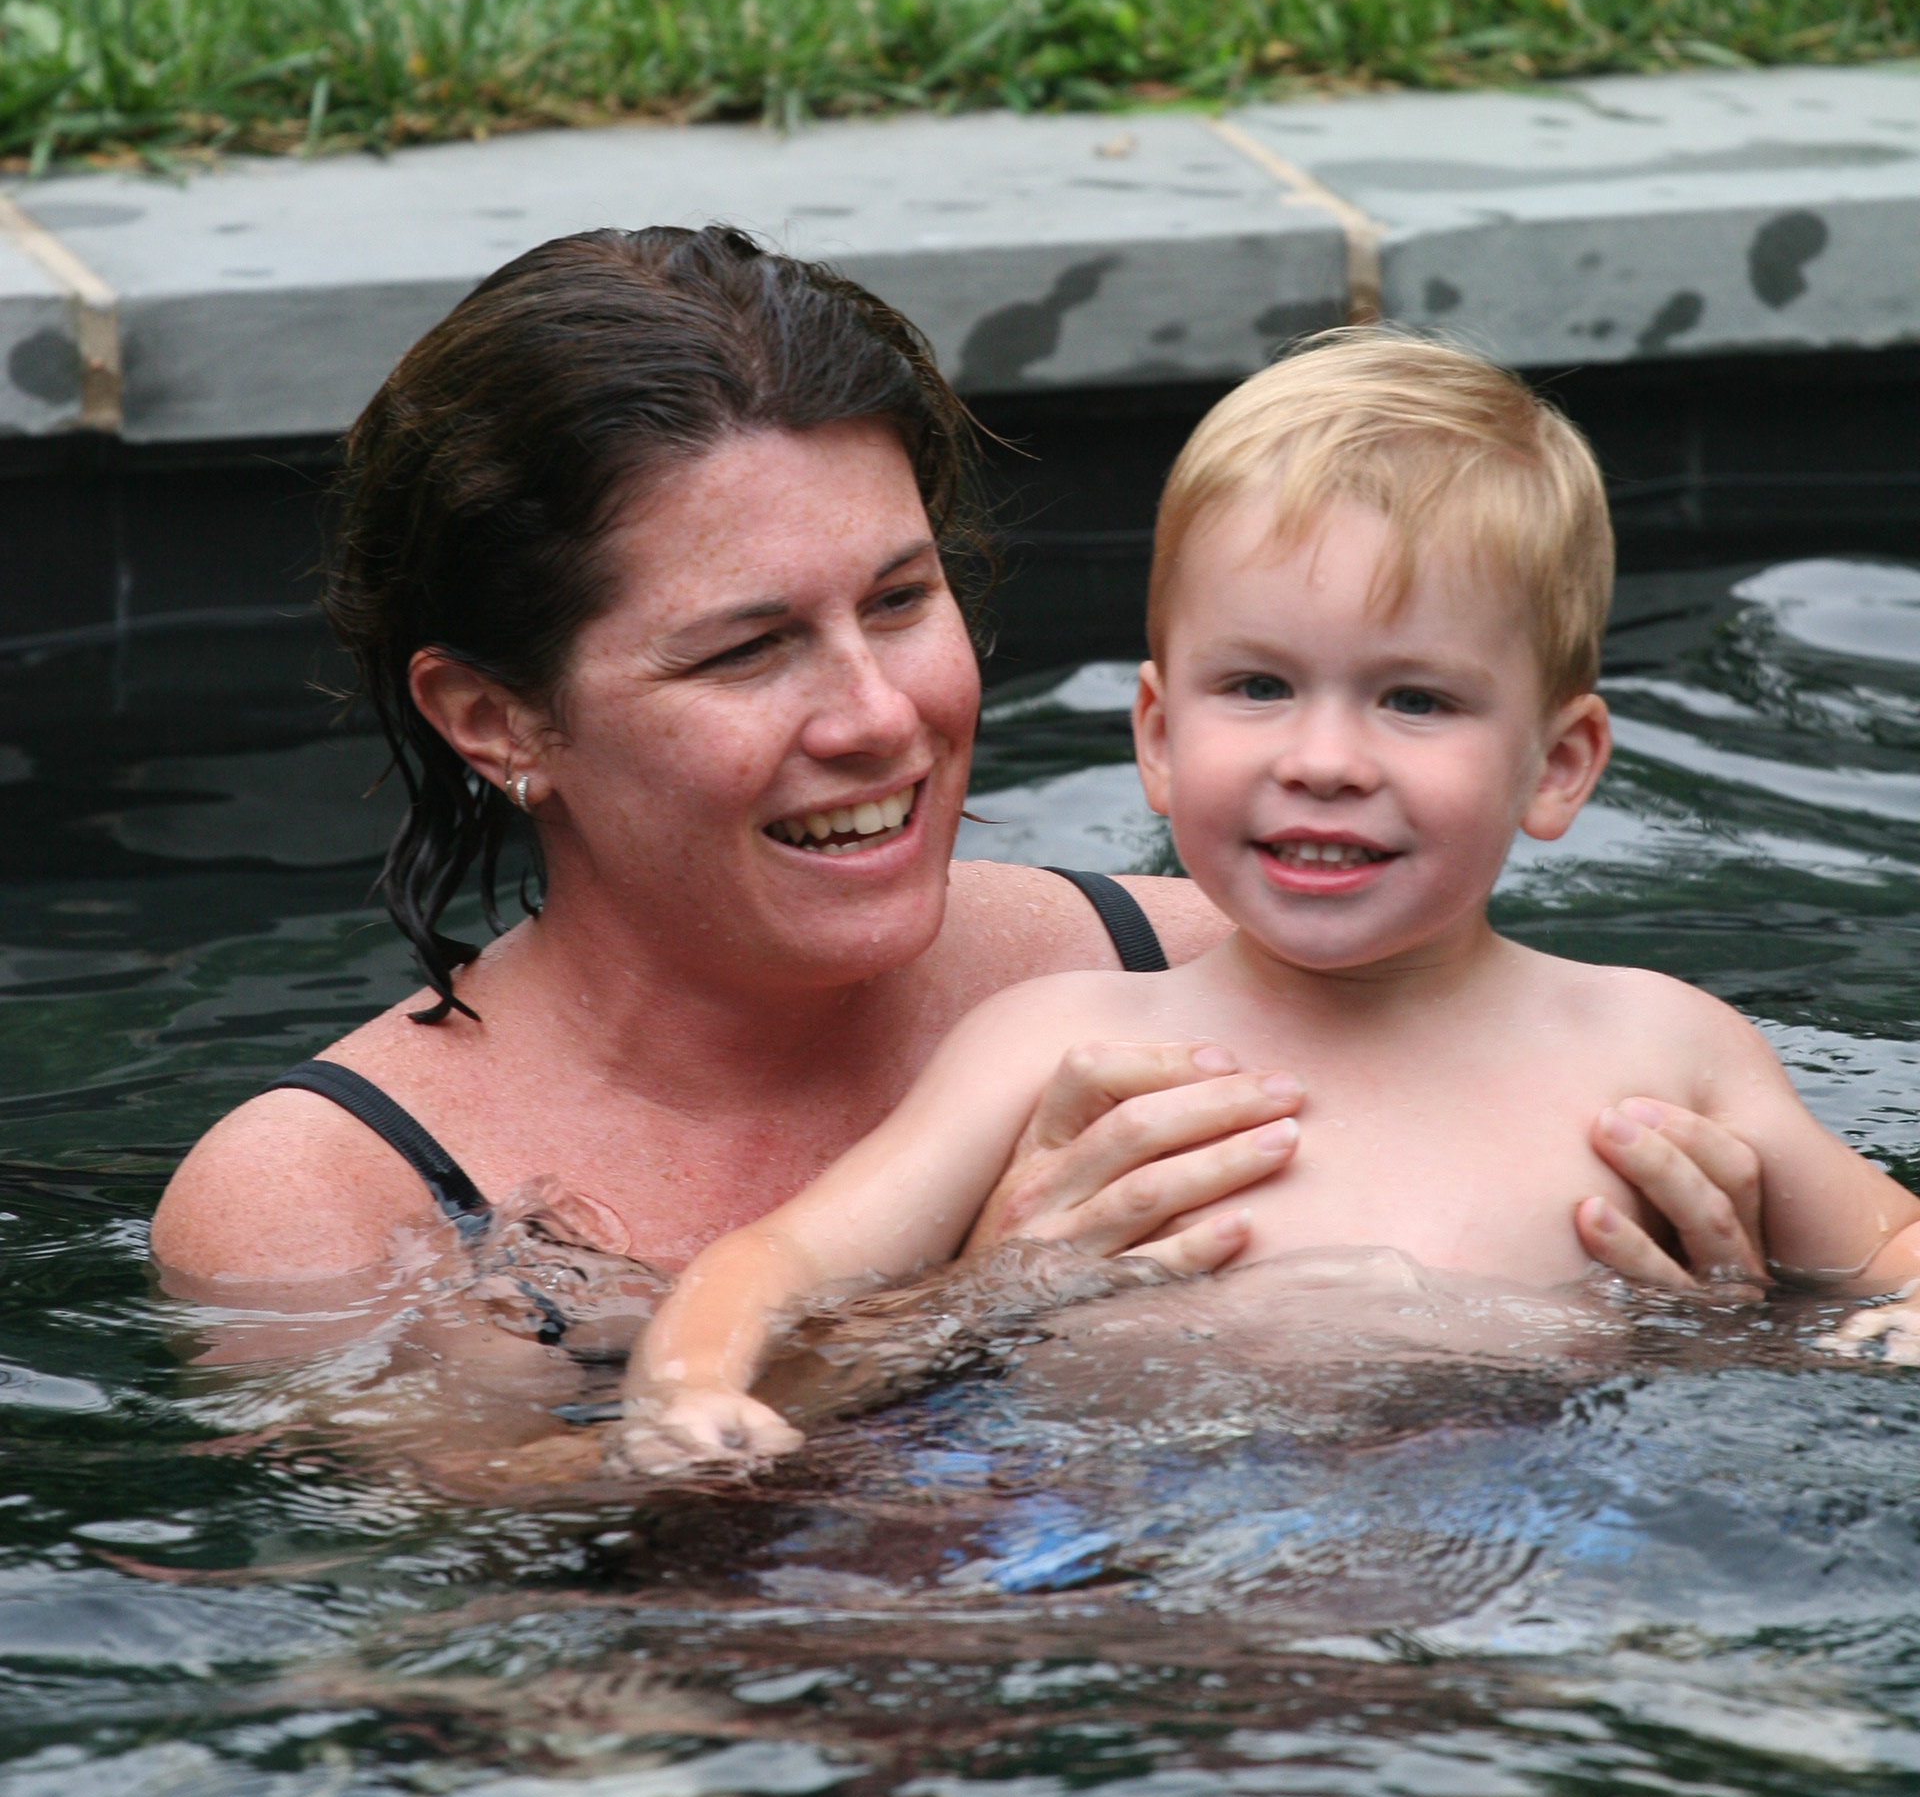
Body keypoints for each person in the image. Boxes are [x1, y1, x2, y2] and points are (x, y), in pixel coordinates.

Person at [150, 231, 1757, 1381]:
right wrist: (956, 1323)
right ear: (497, 720)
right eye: (748, 649)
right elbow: (521, 1599)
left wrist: (1723, 1321)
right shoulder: (328, 1198)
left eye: (902, 600)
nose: (880, 715)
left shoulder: (1223, 978)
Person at [625, 329, 1920, 1464]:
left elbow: (1890, 1259)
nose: (1324, 760)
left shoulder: (1658, 1053)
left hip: (1553, 1561)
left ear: (1558, 764)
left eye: (1415, 700)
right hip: (1123, 1563)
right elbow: (781, 1263)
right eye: (1257, 688)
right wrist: (689, 1384)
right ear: (1157, 736)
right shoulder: (1055, 1045)